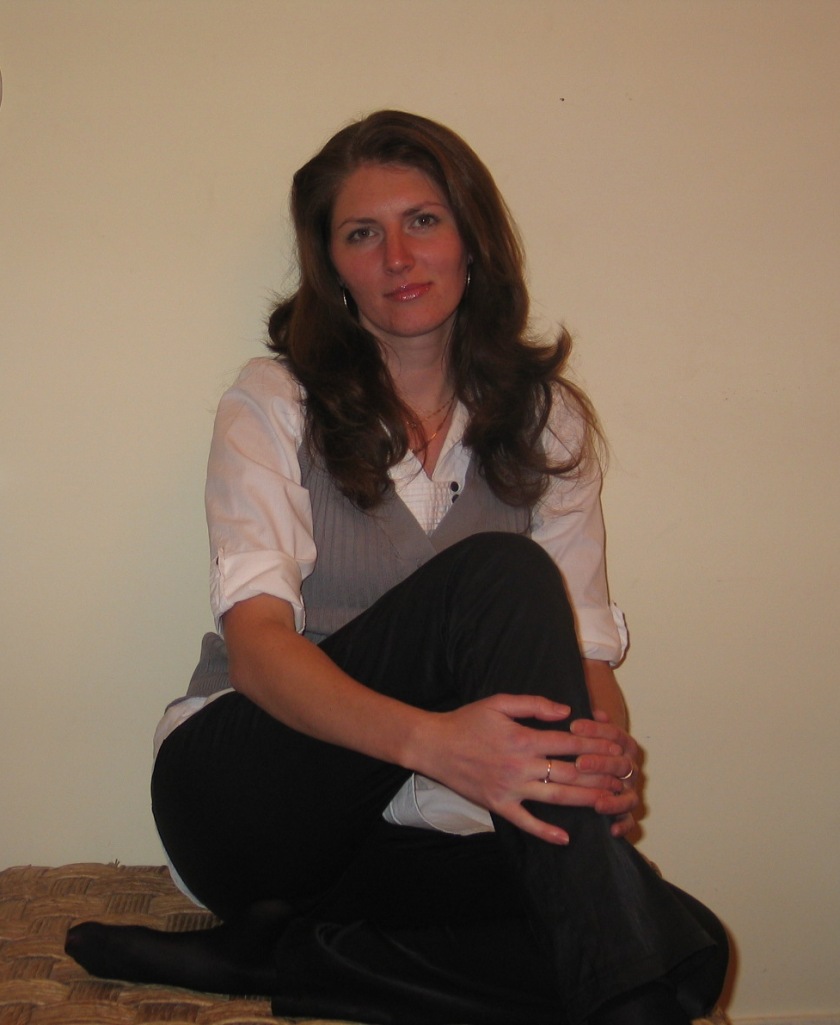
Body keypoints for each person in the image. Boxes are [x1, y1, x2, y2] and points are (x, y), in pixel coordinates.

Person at [66, 110, 729, 1025]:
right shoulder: (274, 402)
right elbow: (257, 649)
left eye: (423, 221)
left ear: (471, 240)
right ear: (332, 267)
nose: (398, 257)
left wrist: (597, 749)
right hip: (252, 800)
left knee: (687, 944)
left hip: (415, 829)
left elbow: (584, 661)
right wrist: (436, 742)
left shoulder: (548, 423)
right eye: (361, 234)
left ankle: (283, 956)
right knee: (498, 573)